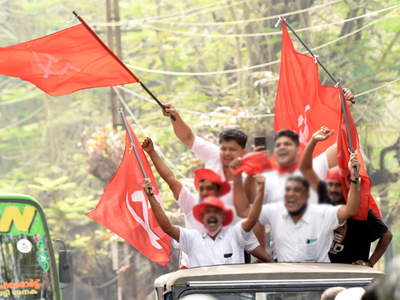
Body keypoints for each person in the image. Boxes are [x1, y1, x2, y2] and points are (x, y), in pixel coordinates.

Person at [141, 137, 273, 267]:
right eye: (201, 188)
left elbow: (251, 237)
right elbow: (170, 179)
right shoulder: (191, 212)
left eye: (209, 187)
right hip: (193, 265)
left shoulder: (234, 227)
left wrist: (273, 264)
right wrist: (152, 153)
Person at [233, 152, 361, 262]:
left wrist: (354, 179)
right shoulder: (275, 211)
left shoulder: (323, 214)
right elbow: (244, 211)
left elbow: (350, 209)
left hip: (318, 283)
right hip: (286, 283)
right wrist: (238, 175)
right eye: (288, 190)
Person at [299, 127, 393, 266]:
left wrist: (370, 263)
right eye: (329, 185)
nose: (333, 189)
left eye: (338, 185)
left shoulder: (361, 212)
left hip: (352, 275)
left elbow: (387, 235)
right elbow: (305, 171)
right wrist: (313, 140)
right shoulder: (321, 208)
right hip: (323, 273)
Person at [142, 174, 265, 268]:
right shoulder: (191, 238)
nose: (211, 215)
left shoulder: (236, 234)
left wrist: (260, 192)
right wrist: (150, 197)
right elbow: (167, 227)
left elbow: (252, 220)